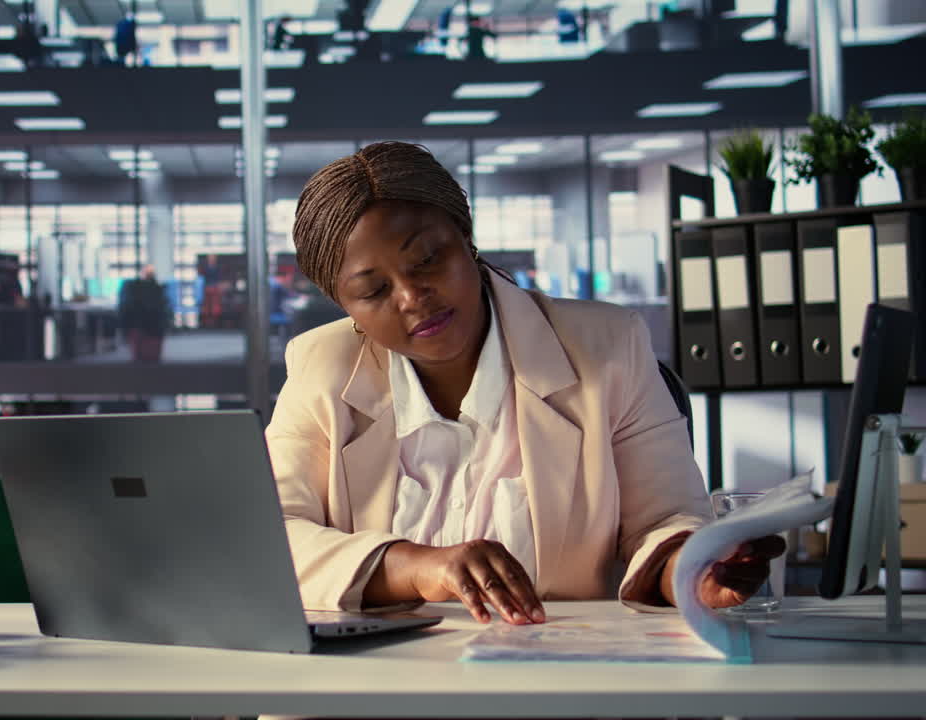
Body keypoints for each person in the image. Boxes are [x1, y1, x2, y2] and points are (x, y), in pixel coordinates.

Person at [267, 141, 784, 625]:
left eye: (428, 259)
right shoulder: (321, 367)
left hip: (553, 688)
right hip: (373, 696)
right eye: (375, 289)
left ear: (466, 239)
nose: (411, 296)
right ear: (344, 305)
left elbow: (664, 522)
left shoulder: (607, 346)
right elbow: (270, 537)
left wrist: (695, 572)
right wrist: (421, 568)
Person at [117, 265, 170, 363]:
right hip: (153, 324)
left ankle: (140, 353)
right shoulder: (157, 289)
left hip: (138, 324)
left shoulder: (132, 289)